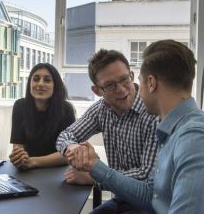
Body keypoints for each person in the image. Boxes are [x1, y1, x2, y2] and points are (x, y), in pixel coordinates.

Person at [70, 40, 204, 213]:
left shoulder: (195, 140)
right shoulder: (172, 131)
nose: (136, 90)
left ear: (151, 83)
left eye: (139, 81)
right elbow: (152, 197)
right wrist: (94, 166)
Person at [56, 49, 159, 213]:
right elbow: (65, 136)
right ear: (97, 91)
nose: (121, 89)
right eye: (110, 85)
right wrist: (73, 148)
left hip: (150, 206)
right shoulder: (100, 110)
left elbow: (146, 177)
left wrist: (94, 176)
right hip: (120, 200)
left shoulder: (153, 112)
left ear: (132, 75)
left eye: (124, 79)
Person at [9, 63, 75, 170]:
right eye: (35, 79)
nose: (40, 84)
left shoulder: (66, 109)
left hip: (57, 171)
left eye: (47, 80)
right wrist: (19, 157)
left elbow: (69, 153)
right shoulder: (20, 106)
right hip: (28, 169)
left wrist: (33, 161)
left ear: (56, 85)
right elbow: (18, 147)